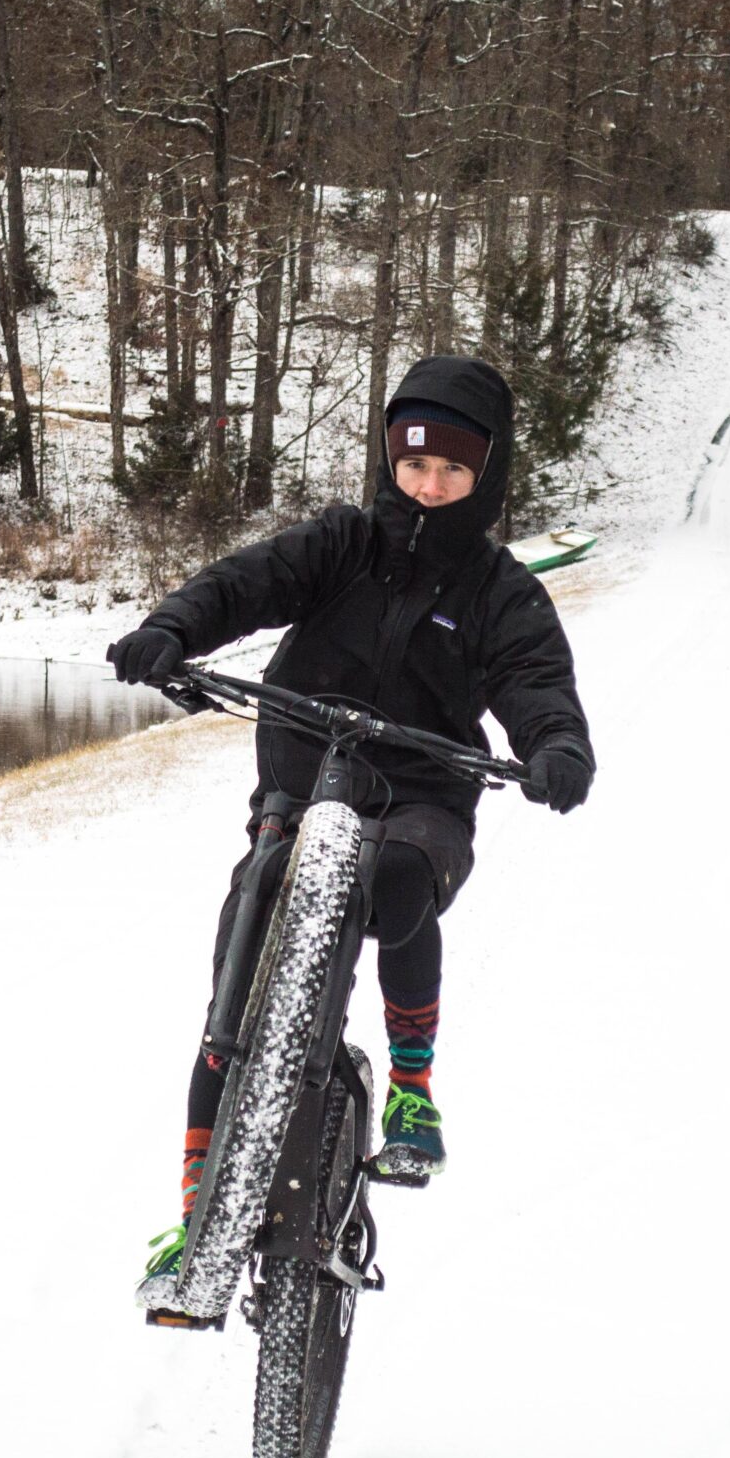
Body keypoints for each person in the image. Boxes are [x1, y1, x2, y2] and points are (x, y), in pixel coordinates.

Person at [107, 355, 596, 1307]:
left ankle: (411, 1087)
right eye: (415, 466)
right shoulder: (339, 542)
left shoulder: (499, 588)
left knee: (405, 880)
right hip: (303, 779)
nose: (430, 485)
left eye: (453, 472)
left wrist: (555, 745)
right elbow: (248, 582)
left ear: (484, 477)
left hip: (424, 792)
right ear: (390, 459)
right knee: (242, 950)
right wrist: (173, 628)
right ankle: (198, 1210)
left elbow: (536, 679)